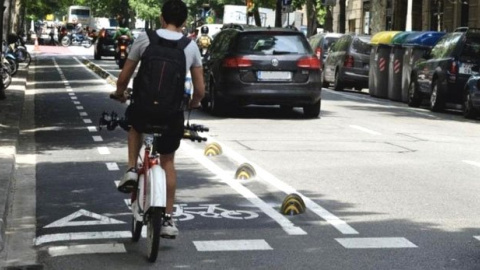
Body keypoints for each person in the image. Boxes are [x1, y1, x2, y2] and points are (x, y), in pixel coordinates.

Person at [110, 0, 205, 238]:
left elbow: (124, 77)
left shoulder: (145, 38)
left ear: (162, 18)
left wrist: (120, 93)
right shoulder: (190, 47)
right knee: (168, 162)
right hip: (171, 113)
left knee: (134, 126)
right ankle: (168, 219)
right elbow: (200, 90)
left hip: (143, 108)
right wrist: (193, 104)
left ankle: (132, 169)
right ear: (184, 22)